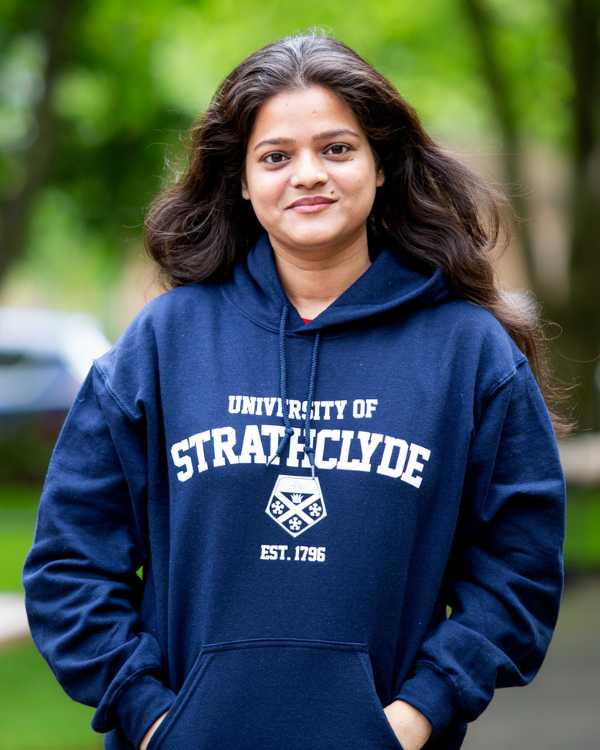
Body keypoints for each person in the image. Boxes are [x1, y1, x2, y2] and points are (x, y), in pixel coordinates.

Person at [22, 29, 573, 750]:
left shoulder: (468, 354)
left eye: (337, 149)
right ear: (243, 181)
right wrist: (157, 718)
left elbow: (518, 572)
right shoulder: (163, 343)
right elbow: (69, 563)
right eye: (276, 156)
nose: (307, 174)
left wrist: (411, 719)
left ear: (380, 166)